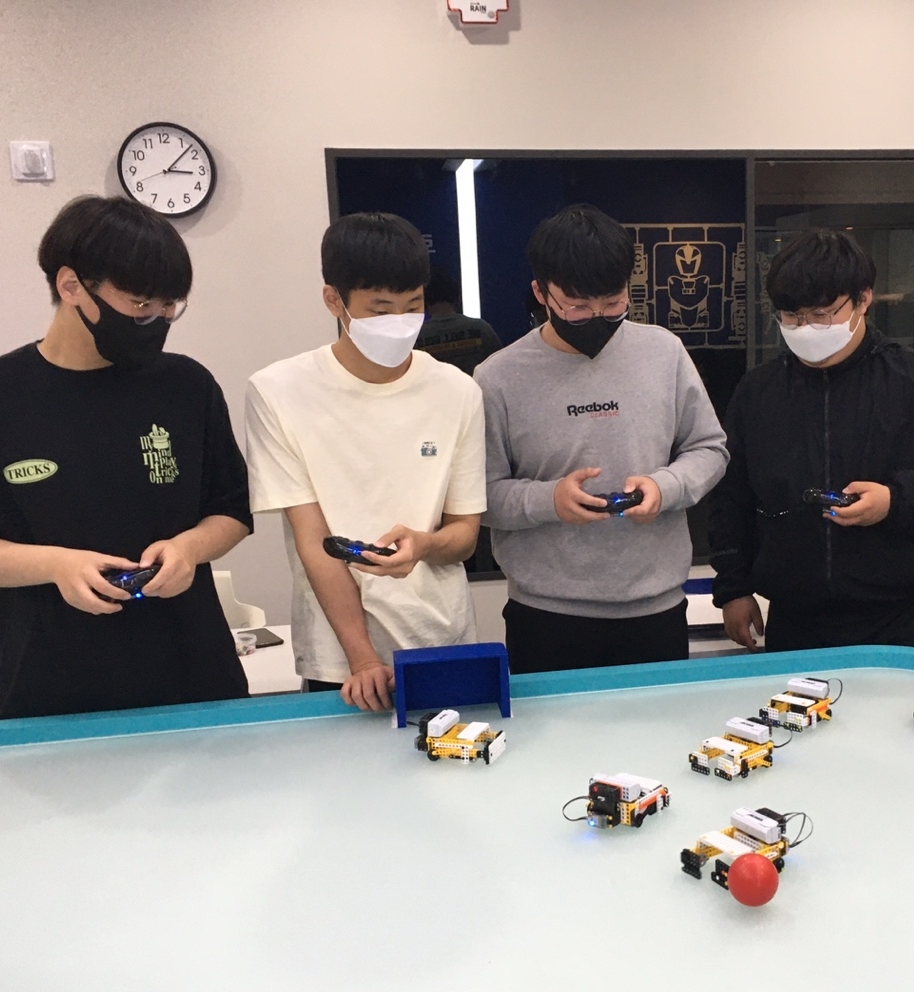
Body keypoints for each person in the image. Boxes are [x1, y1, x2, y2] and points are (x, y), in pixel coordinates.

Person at [0, 195, 252, 719]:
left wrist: (189, 548)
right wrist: (58, 565)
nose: (157, 319)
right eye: (140, 305)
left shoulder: (187, 386)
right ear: (71, 285)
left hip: (194, 676)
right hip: (51, 686)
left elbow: (231, 511)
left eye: (169, 306)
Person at [707, 228, 914, 654]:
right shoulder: (759, 392)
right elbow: (730, 496)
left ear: (863, 299)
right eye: (791, 316)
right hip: (798, 623)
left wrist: (895, 502)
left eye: (822, 314)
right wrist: (733, 588)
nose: (805, 328)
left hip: (908, 619)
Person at [245, 213, 485, 713]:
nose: (399, 322)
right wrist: (362, 658)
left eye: (412, 306)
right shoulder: (279, 392)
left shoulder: (457, 391)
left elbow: (464, 533)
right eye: (380, 310)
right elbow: (315, 543)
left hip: (441, 638)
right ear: (334, 300)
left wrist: (424, 545)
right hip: (341, 660)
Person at [474, 204, 728, 674]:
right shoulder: (498, 377)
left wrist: (665, 487)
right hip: (546, 615)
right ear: (540, 293)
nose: (597, 317)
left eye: (613, 304)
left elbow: (709, 448)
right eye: (577, 307)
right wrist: (550, 500)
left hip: (655, 609)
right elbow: (482, 497)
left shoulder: (664, 352)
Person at [413, 268, 503, 376]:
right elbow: (500, 369)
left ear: (424, 300)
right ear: (456, 296)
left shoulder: (416, 338)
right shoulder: (482, 329)